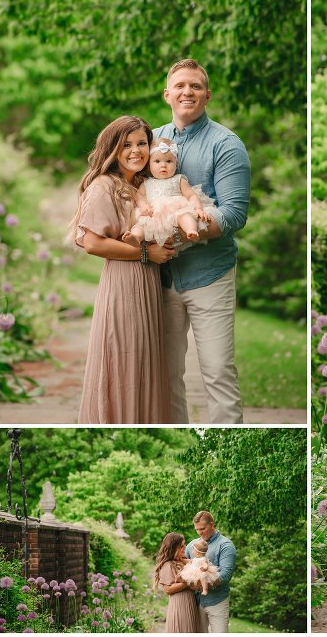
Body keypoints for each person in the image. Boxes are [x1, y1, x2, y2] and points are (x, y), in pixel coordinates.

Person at [153, 59, 251, 424]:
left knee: (218, 373)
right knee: (165, 377)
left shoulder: (226, 145)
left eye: (195, 86)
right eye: (180, 86)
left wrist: (180, 232)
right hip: (159, 278)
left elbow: (234, 214)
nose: (187, 92)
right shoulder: (149, 141)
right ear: (167, 95)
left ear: (207, 95)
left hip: (210, 275)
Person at [67, 116, 175, 422]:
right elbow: (93, 243)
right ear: (112, 149)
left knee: (145, 362)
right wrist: (146, 253)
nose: (136, 151)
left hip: (149, 282)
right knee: (123, 360)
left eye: (142, 143)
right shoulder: (104, 186)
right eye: (126, 144)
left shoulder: (145, 185)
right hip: (123, 284)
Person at [123, 137, 216, 250]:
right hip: (153, 215)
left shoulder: (179, 179)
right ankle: (135, 237)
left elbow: (191, 195)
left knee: (185, 216)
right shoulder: (146, 183)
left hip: (176, 211)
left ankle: (191, 230)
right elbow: (139, 196)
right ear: (149, 165)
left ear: (176, 164)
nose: (163, 165)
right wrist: (144, 206)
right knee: (141, 226)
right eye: (157, 161)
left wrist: (198, 209)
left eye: (169, 161)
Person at [186, 510, 236, 632]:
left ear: (212, 525)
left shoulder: (226, 545)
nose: (199, 532)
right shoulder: (191, 545)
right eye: (197, 529)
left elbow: (225, 575)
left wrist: (203, 585)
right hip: (196, 602)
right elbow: (183, 566)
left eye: (202, 528)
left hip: (218, 601)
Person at [154, 532, 201, 633]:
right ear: (173, 548)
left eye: (184, 545)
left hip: (190, 601)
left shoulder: (182, 561)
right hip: (180, 604)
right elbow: (168, 589)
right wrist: (188, 581)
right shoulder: (168, 565)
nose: (184, 547)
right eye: (181, 546)